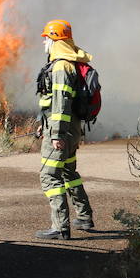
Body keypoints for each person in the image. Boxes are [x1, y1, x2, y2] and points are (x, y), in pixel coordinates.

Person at [34, 19, 95, 240]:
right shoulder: (70, 63)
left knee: (49, 176)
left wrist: (56, 134)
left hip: (62, 131)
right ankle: (84, 216)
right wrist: (45, 123)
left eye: (46, 39)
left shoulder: (60, 66)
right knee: (69, 172)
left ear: (55, 40)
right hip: (72, 128)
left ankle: (60, 226)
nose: (44, 44)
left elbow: (61, 103)